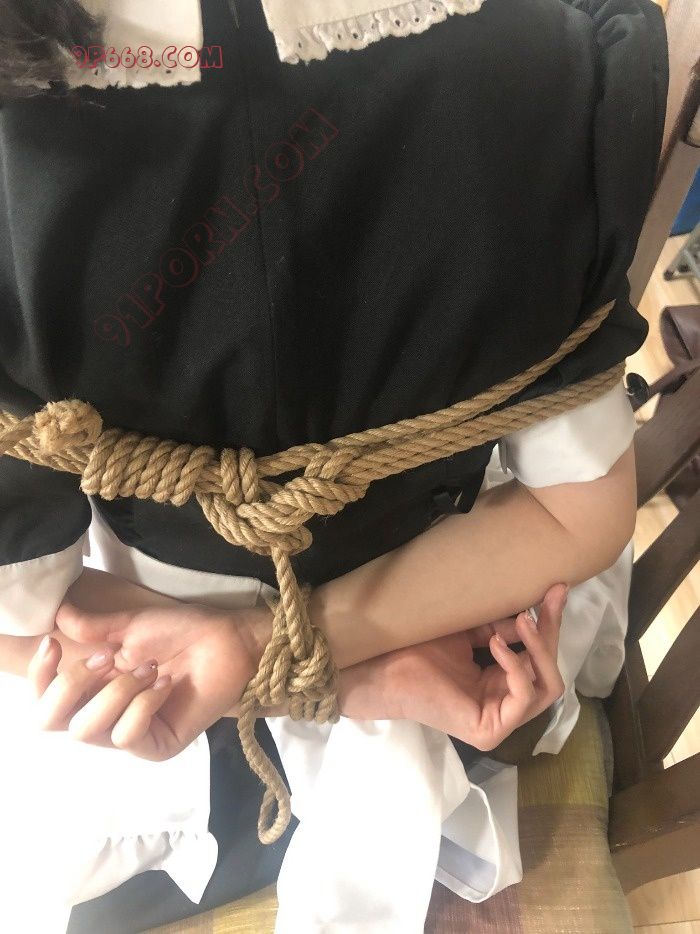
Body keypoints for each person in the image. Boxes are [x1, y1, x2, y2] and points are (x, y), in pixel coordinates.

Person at [0, 0, 667, 930]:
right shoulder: (522, 54)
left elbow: (24, 612)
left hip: (198, 677)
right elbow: (577, 511)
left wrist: (271, 654)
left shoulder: (24, 116)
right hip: (426, 637)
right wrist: (332, 669)